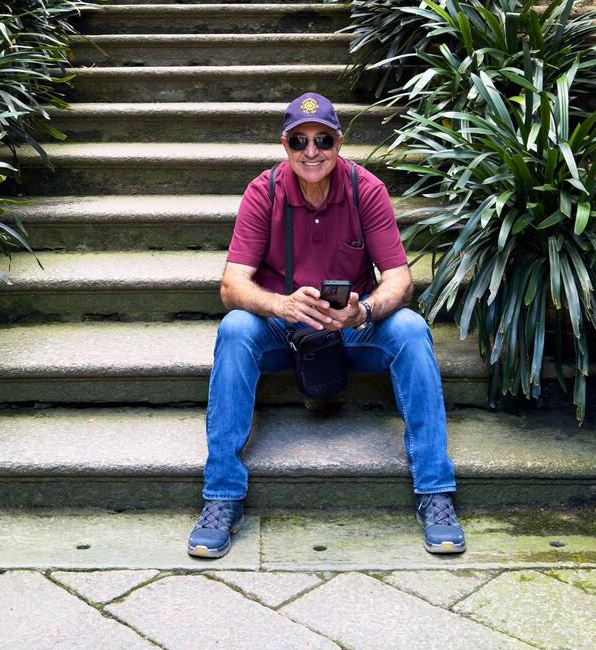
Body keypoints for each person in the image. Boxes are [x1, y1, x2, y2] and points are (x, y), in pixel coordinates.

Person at [188, 91, 464, 559]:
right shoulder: (264, 191)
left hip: (351, 324)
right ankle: (222, 496)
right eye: (299, 141)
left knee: (411, 329)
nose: (311, 151)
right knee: (235, 328)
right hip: (284, 326)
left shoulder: (365, 189)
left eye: (322, 140)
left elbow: (400, 279)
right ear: (285, 145)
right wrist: (281, 306)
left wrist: (363, 312)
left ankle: (435, 491)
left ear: (339, 143)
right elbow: (232, 286)